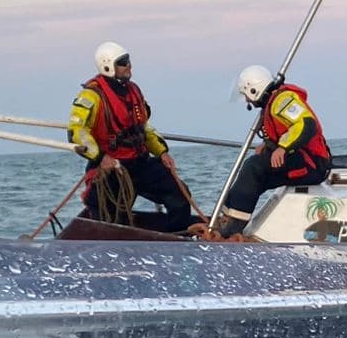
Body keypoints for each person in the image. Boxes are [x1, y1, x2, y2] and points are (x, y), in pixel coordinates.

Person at [67, 42, 203, 233]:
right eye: (123, 62)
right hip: (113, 168)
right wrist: (100, 158)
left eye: (128, 60)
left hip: (140, 162)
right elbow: (77, 132)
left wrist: (162, 152)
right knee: (110, 215)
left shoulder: (134, 91)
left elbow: (143, 128)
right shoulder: (91, 96)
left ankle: (177, 239)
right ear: (108, 65)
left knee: (179, 194)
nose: (129, 65)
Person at [214, 65, 333, 236]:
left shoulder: (283, 100)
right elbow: (285, 129)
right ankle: (227, 218)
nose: (248, 101)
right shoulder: (273, 102)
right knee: (255, 177)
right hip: (305, 161)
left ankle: (233, 227)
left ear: (254, 89)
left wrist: (283, 148)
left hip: (313, 164)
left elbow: (306, 124)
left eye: (247, 95)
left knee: (253, 166)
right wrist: (270, 145)